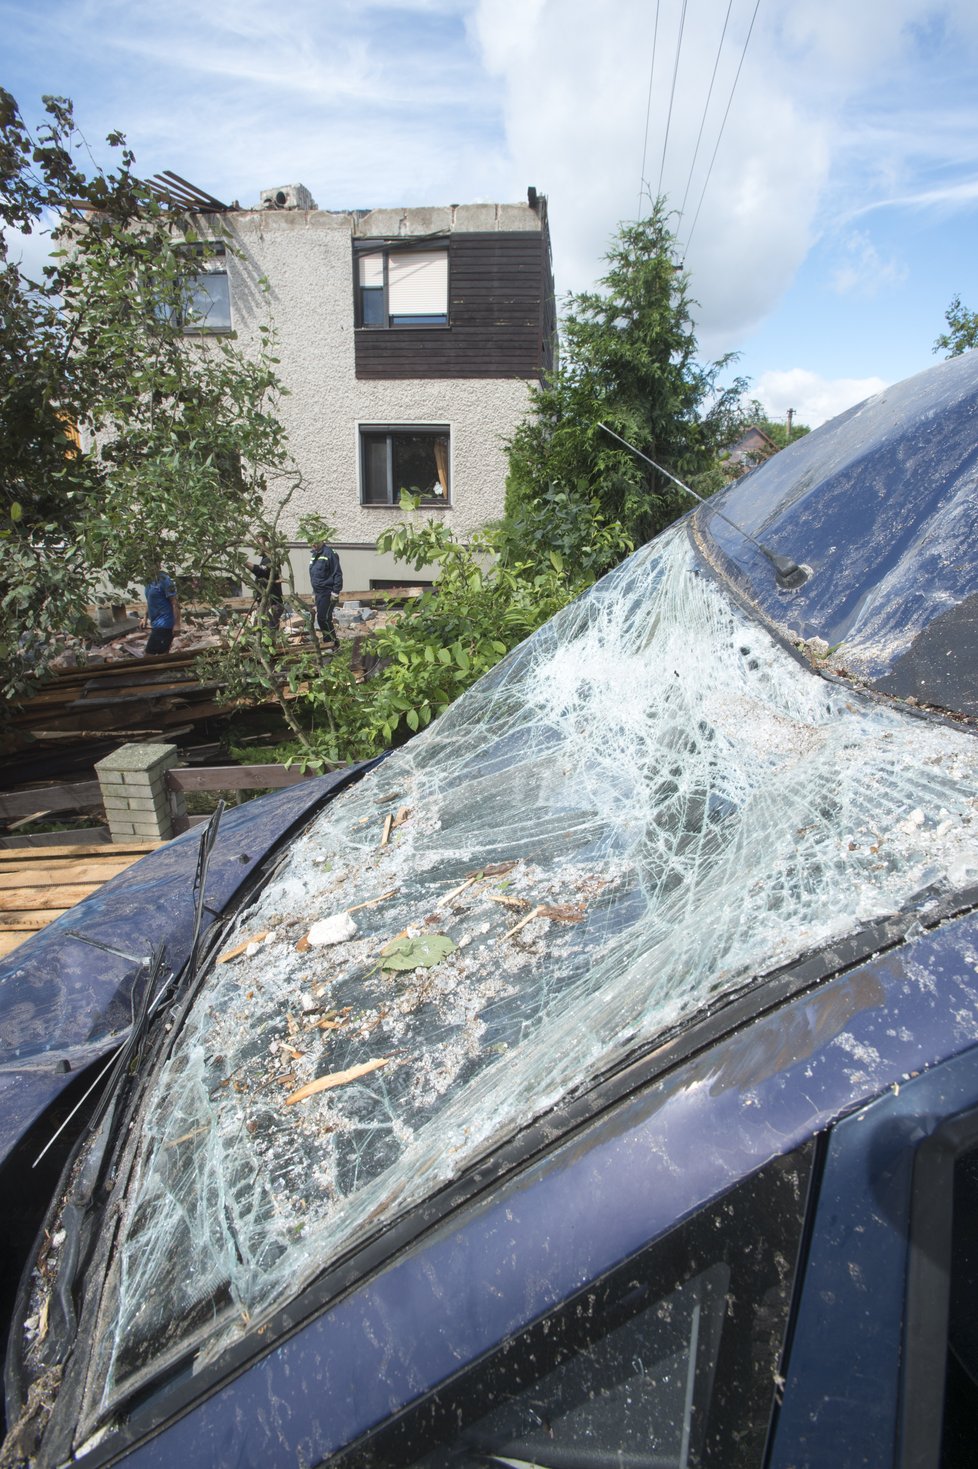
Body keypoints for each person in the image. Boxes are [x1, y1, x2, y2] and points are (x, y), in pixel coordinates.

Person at [309, 540, 342, 647]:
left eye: (315, 542)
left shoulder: (329, 553)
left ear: (322, 541)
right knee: (322, 619)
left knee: (324, 618)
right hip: (319, 593)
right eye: (310, 542)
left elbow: (337, 573)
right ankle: (331, 643)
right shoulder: (315, 554)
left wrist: (335, 592)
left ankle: (332, 644)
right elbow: (314, 575)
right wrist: (314, 592)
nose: (313, 544)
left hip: (327, 592)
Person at [143, 570, 180, 656]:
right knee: (162, 655)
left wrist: (177, 624)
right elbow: (149, 600)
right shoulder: (148, 581)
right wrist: (145, 617)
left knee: (148, 656)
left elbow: (174, 602)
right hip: (155, 623)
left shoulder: (165, 580)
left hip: (165, 623)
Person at [250, 554, 284, 630]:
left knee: (268, 631)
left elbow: (260, 571)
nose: (255, 544)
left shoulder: (269, 559)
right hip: (268, 603)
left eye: (258, 541)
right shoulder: (266, 559)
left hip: (271, 604)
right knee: (264, 630)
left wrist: (243, 562)